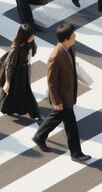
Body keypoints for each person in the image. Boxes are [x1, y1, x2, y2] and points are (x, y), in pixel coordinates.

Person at [33, 23, 91, 162]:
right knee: (71, 125)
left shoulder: (70, 47)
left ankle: (39, 136)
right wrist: (57, 101)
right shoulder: (55, 57)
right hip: (62, 96)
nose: (75, 37)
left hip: (68, 92)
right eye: (73, 36)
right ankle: (76, 153)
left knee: (57, 116)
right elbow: (51, 82)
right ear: (65, 39)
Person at [0, 23, 41, 120]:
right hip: (16, 73)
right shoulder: (15, 49)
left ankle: (12, 108)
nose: (33, 37)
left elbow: (33, 53)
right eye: (31, 35)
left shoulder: (28, 44)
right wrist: (7, 82)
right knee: (16, 91)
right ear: (24, 36)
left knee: (20, 91)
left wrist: (32, 44)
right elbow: (9, 66)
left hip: (24, 70)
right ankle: (35, 113)